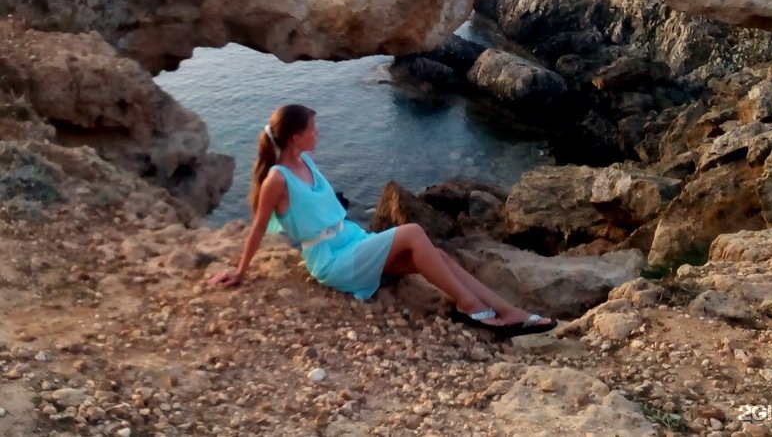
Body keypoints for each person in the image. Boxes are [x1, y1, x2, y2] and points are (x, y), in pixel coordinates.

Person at [210, 104, 557, 338]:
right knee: (413, 231)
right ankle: (470, 306)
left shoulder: (306, 162)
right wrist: (240, 272)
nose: (318, 133)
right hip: (331, 259)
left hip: (352, 240)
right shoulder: (277, 178)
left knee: (437, 256)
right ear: (296, 137)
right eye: (313, 129)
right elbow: (259, 226)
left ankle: (510, 311)